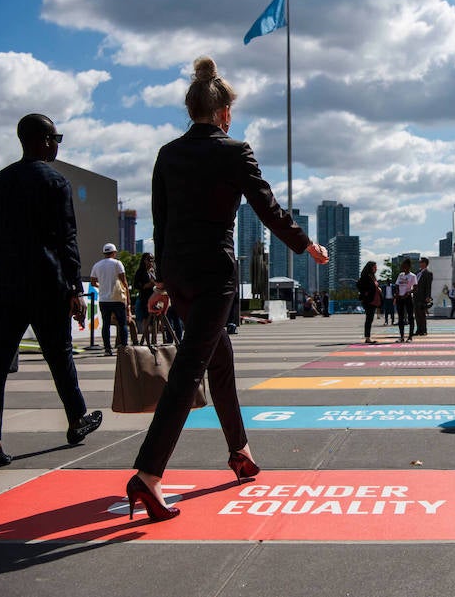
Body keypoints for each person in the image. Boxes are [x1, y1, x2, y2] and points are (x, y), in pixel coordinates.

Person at [128, 57, 329, 522]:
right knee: (190, 371)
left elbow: (162, 222)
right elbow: (269, 208)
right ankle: (148, 475)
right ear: (224, 113)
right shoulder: (234, 151)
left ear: (191, 108)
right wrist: (306, 245)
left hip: (179, 273)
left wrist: (161, 280)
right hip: (215, 274)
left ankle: (239, 449)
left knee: (219, 359)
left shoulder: (167, 154)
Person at [0, 113, 102, 472]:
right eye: (56, 137)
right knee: (59, 355)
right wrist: (74, 287)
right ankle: (77, 419)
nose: (57, 143)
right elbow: (66, 240)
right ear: (44, 140)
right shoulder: (55, 182)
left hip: (5, 286)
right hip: (47, 283)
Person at [91, 243, 131, 355]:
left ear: (104, 253)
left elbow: (93, 282)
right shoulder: (118, 263)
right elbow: (124, 282)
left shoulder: (97, 265)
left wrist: (102, 286)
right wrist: (128, 299)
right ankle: (123, 348)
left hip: (104, 300)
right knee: (122, 324)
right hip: (118, 298)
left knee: (106, 324)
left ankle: (107, 349)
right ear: (114, 252)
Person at [133, 253, 156, 339]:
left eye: (152, 259)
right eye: (148, 259)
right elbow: (135, 285)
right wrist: (145, 286)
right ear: (144, 260)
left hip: (155, 297)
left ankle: (154, 339)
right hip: (145, 298)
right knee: (146, 319)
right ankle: (146, 339)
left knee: (155, 320)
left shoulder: (154, 270)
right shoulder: (140, 272)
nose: (150, 261)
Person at [357, 261, 381, 343]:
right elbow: (359, 285)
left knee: (370, 319)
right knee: (369, 319)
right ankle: (367, 338)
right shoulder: (366, 276)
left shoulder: (373, 276)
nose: (376, 268)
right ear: (370, 267)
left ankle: (367, 337)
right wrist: (365, 293)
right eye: (375, 267)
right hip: (368, 301)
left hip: (374, 300)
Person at [394, 258, 418, 342]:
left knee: (410, 317)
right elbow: (397, 285)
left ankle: (410, 337)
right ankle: (401, 337)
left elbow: (415, 288)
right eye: (402, 265)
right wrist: (397, 293)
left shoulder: (412, 276)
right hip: (400, 298)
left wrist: (408, 293)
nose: (403, 266)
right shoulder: (400, 275)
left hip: (408, 298)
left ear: (409, 266)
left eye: (404, 265)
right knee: (400, 318)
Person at [413, 257, 433, 336]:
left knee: (422, 314)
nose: (420, 263)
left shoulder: (428, 273)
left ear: (425, 263)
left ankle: (424, 330)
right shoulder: (417, 272)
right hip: (416, 296)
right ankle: (418, 329)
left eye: (421, 262)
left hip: (423, 296)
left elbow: (428, 286)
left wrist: (428, 296)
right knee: (417, 314)